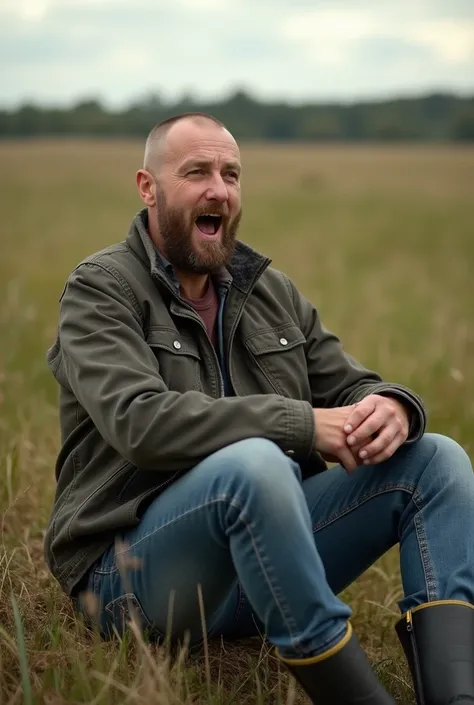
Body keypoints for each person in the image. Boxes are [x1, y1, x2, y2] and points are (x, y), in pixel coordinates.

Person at [45, 112, 474, 705]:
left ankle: (454, 697)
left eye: (231, 173)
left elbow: (349, 386)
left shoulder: (269, 290)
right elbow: (138, 422)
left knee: (438, 460)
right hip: (131, 578)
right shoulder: (100, 288)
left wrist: (391, 407)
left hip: (265, 562)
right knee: (256, 465)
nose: (218, 189)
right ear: (149, 187)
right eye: (196, 171)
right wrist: (299, 425)